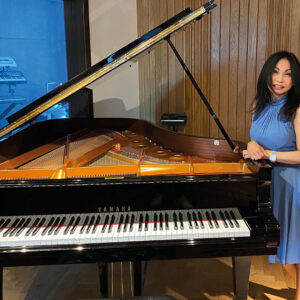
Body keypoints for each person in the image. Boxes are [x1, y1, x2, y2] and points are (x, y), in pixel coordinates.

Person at [242, 50, 300, 300]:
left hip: (293, 183)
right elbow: (257, 137)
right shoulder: (259, 105)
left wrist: (270, 154)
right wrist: (251, 143)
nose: (280, 78)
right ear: (267, 74)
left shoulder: (296, 109)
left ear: (295, 80)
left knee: (295, 248)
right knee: (282, 246)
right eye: (276, 71)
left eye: (288, 74)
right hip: (270, 184)